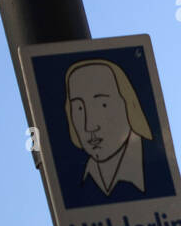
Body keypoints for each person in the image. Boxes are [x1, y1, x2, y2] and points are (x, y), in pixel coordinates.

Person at [64, 58, 153, 197]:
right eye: (79, 108)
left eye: (103, 105)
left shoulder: (155, 163)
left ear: (128, 104)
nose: (90, 126)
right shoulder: (73, 180)